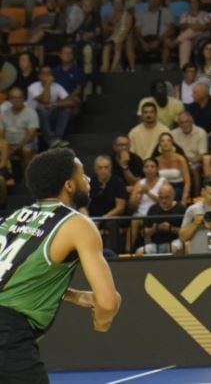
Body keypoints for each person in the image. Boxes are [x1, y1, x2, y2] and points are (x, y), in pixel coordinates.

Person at [0, 149, 120, 382]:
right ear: (69, 185)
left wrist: (73, 295)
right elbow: (107, 302)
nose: (88, 180)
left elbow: (13, 275)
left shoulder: (12, 218)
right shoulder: (77, 225)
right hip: (7, 333)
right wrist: (102, 321)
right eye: (83, 175)